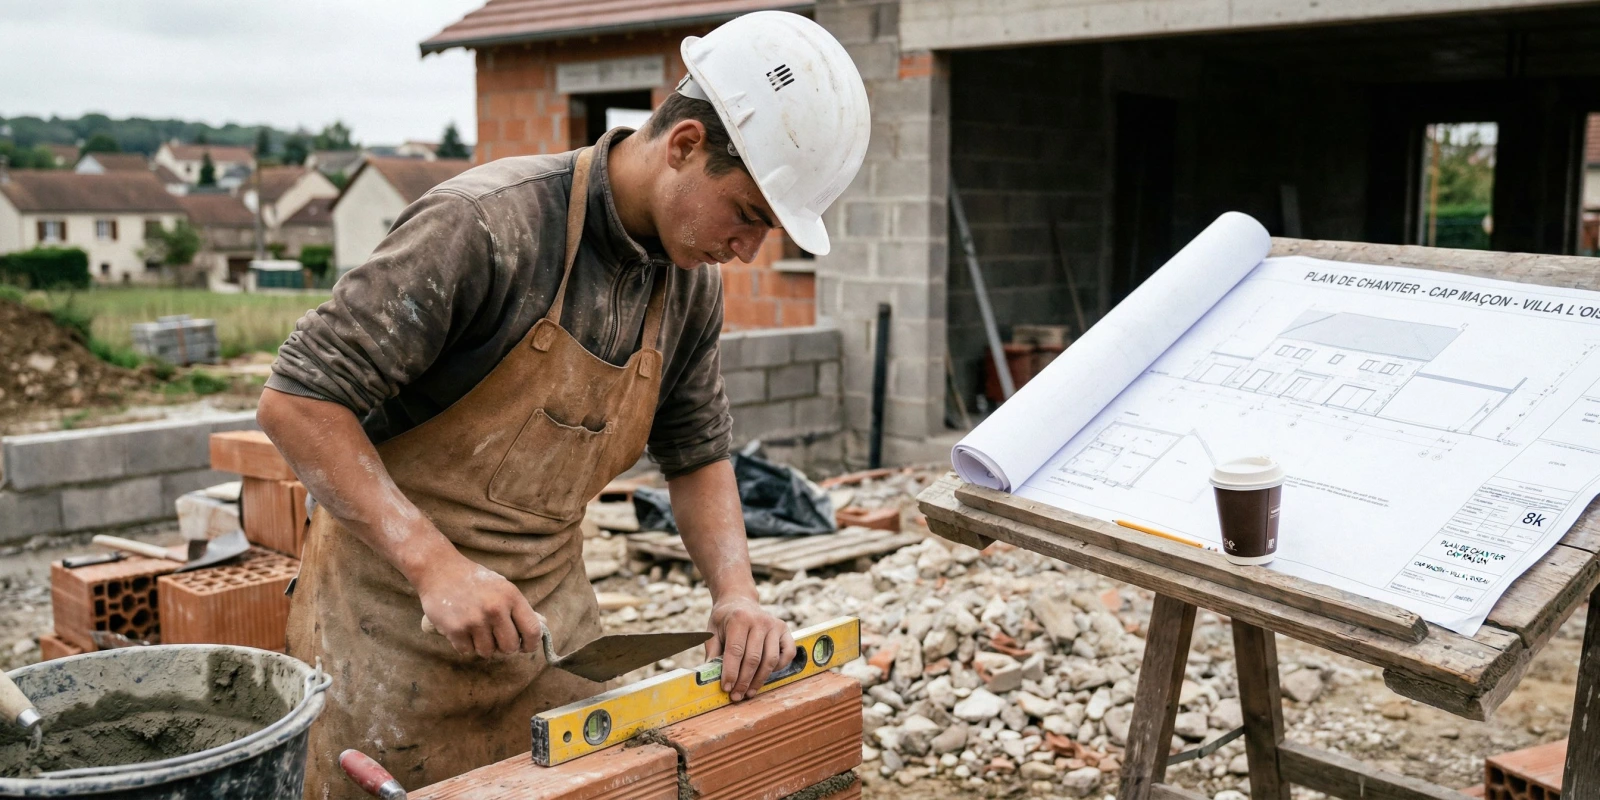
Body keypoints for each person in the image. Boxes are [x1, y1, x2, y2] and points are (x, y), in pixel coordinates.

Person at [256, 10, 870, 798]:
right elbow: (298, 400)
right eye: (748, 215)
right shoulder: (485, 227)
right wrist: (434, 564)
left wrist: (736, 594)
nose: (748, 251)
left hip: (549, 636)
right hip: (389, 628)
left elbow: (699, 452)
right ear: (684, 145)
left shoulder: (689, 289)